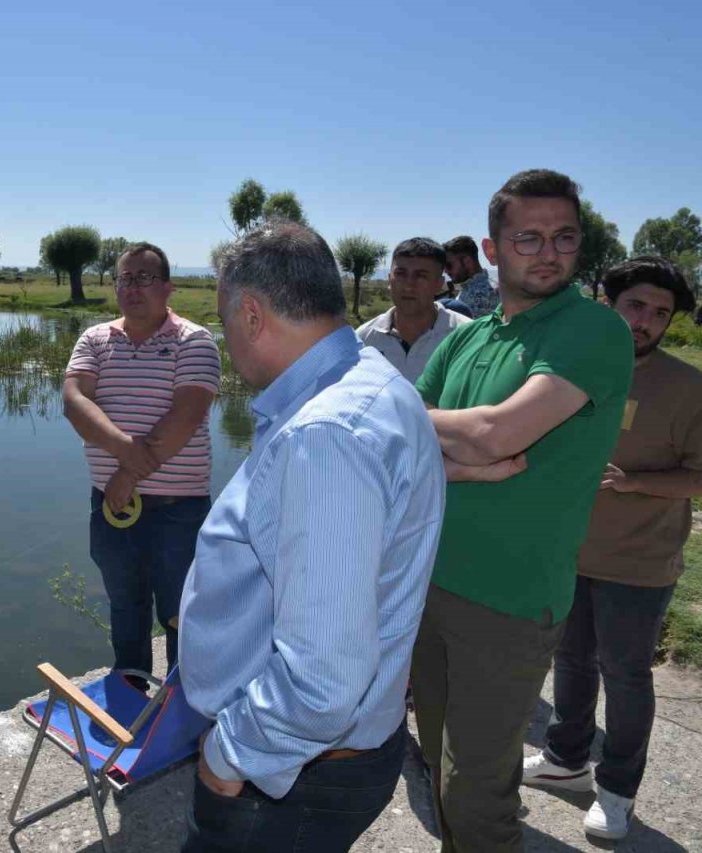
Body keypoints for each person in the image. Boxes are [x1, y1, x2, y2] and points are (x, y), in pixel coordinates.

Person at [177, 220, 446, 852]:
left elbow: (322, 681)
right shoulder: (373, 383)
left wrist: (227, 754)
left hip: (293, 775)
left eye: (223, 320)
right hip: (328, 759)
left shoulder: (325, 435)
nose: (225, 339)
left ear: (251, 314)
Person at [412, 170, 634, 852]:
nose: (549, 252)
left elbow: (498, 435)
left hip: (508, 602)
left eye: (564, 237)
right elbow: (398, 426)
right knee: (440, 770)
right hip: (429, 585)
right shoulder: (468, 336)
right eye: (528, 237)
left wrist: (466, 441)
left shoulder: (593, 329)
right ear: (492, 248)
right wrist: (461, 461)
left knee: (477, 792)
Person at [523, 256, 702, 840]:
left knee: (625, 674)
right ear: (607, 301)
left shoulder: (688, 387)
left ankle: (618, 790)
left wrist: (633, 482)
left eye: (660, 313)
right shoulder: (570, 367)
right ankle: (566, 759)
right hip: (569, 551)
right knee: (570, 662)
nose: (645, 321)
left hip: (640, 564)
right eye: (635, 306)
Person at [62, 242, 220, 684]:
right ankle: (129, 690)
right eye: (125, 279)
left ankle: (178, 710)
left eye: (144, 278)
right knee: (125, 606)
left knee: (179, 613)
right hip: (112, 507)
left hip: (179, 511)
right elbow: (75, 402)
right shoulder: (94, 338)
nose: (133, 288)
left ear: (168, 287)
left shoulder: (195, 340)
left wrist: (125, 475)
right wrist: (126, 458)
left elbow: (185, 417)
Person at [357, 237, 472, 382]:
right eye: (400, 274)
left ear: (439, 284)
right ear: (389, 280)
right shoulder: (365, 339)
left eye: (420, 276)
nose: (408, 285)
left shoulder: (466, 336)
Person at [443, 234, 500, 318]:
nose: (446, 271)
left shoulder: (479, 295)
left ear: (467, 261)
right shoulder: (475, 289)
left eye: (449, 265)